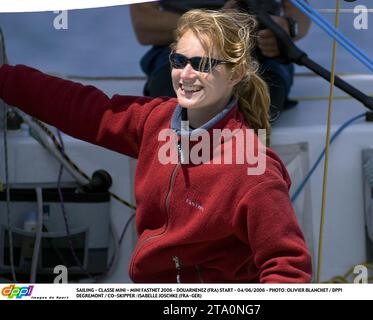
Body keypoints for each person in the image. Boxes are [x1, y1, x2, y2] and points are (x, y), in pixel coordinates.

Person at [0, 9, 311, 283]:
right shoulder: (154, 120)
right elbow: (80, 108)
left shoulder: (253, 170)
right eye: (179, 60)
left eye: (202, 63)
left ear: (236, 74)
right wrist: (6, 79)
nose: (186, 75)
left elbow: (288, 269)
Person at [130, 0, 311, 122]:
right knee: (175, 110)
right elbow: (144, 24)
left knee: (257, 108)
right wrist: (217, 24)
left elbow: (299, 12)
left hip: (259, 49)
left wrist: (287, 27)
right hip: (179, 48)